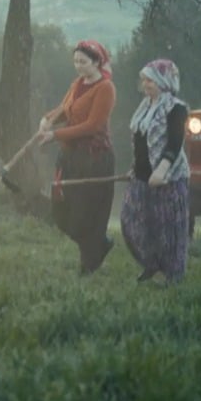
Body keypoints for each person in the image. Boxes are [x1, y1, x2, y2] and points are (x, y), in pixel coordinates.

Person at [38, 40, 118, 274]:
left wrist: (55, 135)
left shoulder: (106, 89)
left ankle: (90, 263)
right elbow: (66, 109)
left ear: (96, 62)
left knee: (86, 214)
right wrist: (48, 119)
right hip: (70, 156)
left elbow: (92, 126)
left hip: (94, 158)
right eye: (75, 61)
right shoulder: (78, 84)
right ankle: (99, 245)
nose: (78, 66)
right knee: (62, 212)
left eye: (83, 62)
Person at [120, 58, 191, 286]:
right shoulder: (145, 107)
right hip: (141, 176)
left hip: (168, 178)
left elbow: (175, 143)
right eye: (144, 80)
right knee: (131, 220)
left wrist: (162, 170)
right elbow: (141, 142)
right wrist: (135, 167)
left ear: (163, 80)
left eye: (150, 80)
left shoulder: (176, 108)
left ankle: (173, 275)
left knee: (168, 229)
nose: (146, 84)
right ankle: (151, 264)